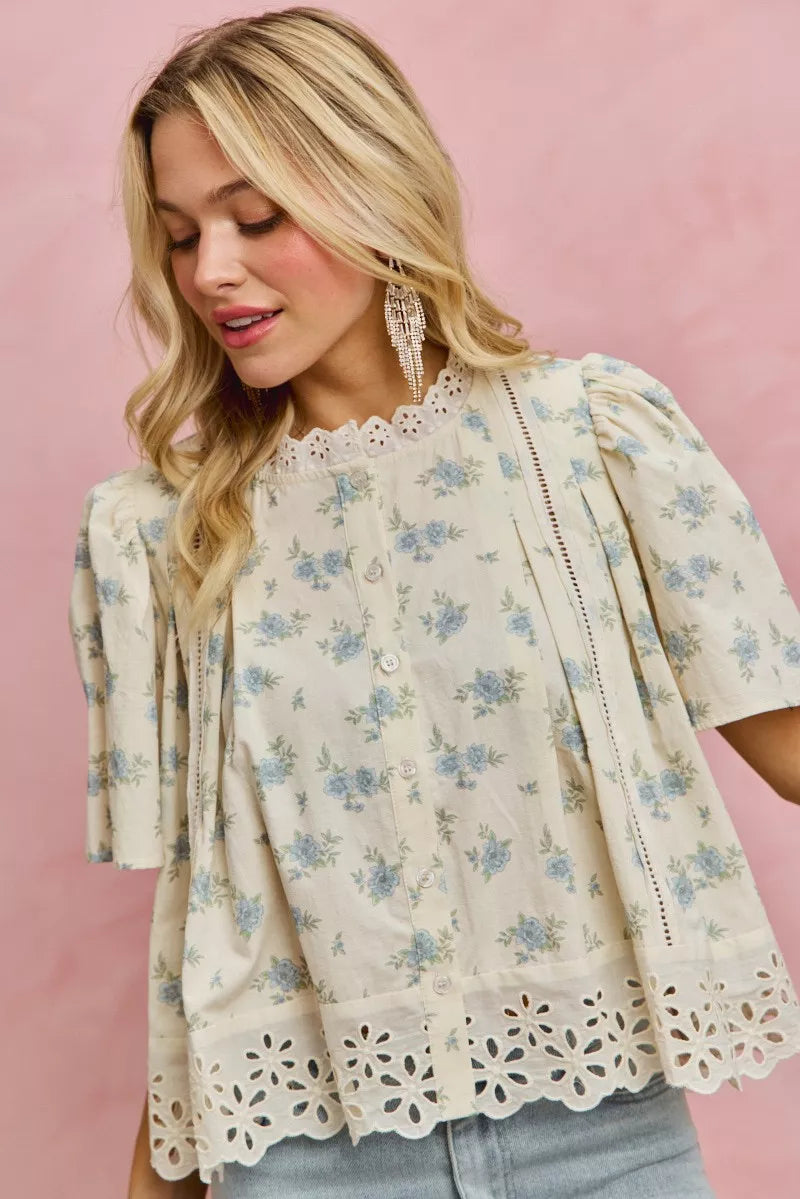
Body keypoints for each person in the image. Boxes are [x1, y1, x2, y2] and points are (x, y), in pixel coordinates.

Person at [66, 8, 800, 1198]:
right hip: (300, 1162)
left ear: (373, 188)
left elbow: (788, 746)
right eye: (181, 234)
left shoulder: (587, 443)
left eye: (256, 218)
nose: (210, 272)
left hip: (604, 1140)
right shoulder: (164, 530)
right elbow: (207, 923)